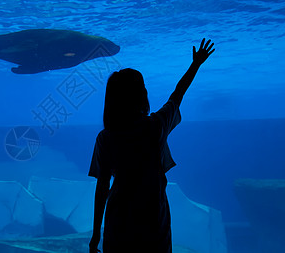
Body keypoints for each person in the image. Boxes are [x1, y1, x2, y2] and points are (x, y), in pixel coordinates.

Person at [88, 39, 215, 253]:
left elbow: (102, 188)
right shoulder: (155, 127)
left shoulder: (106, 137)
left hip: (119, 220)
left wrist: (95, 235)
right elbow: (177, 95)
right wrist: (195, 64)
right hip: (153, 217)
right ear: (141, 96)